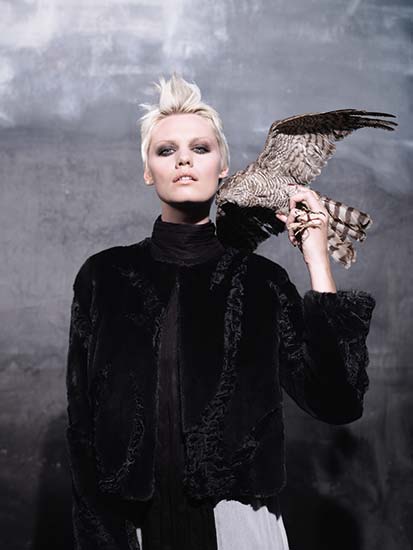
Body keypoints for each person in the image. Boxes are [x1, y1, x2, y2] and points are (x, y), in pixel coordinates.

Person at [65, 73, 376, 549]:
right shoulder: (103, 277)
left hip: (238, 527)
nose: (184, 160)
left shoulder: (261, 282)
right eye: (166, 150)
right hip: (133, 528)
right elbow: (82, 429)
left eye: (200, 148)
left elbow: (337, 401)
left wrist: (317, 261)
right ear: (147, 171)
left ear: (223, 166)